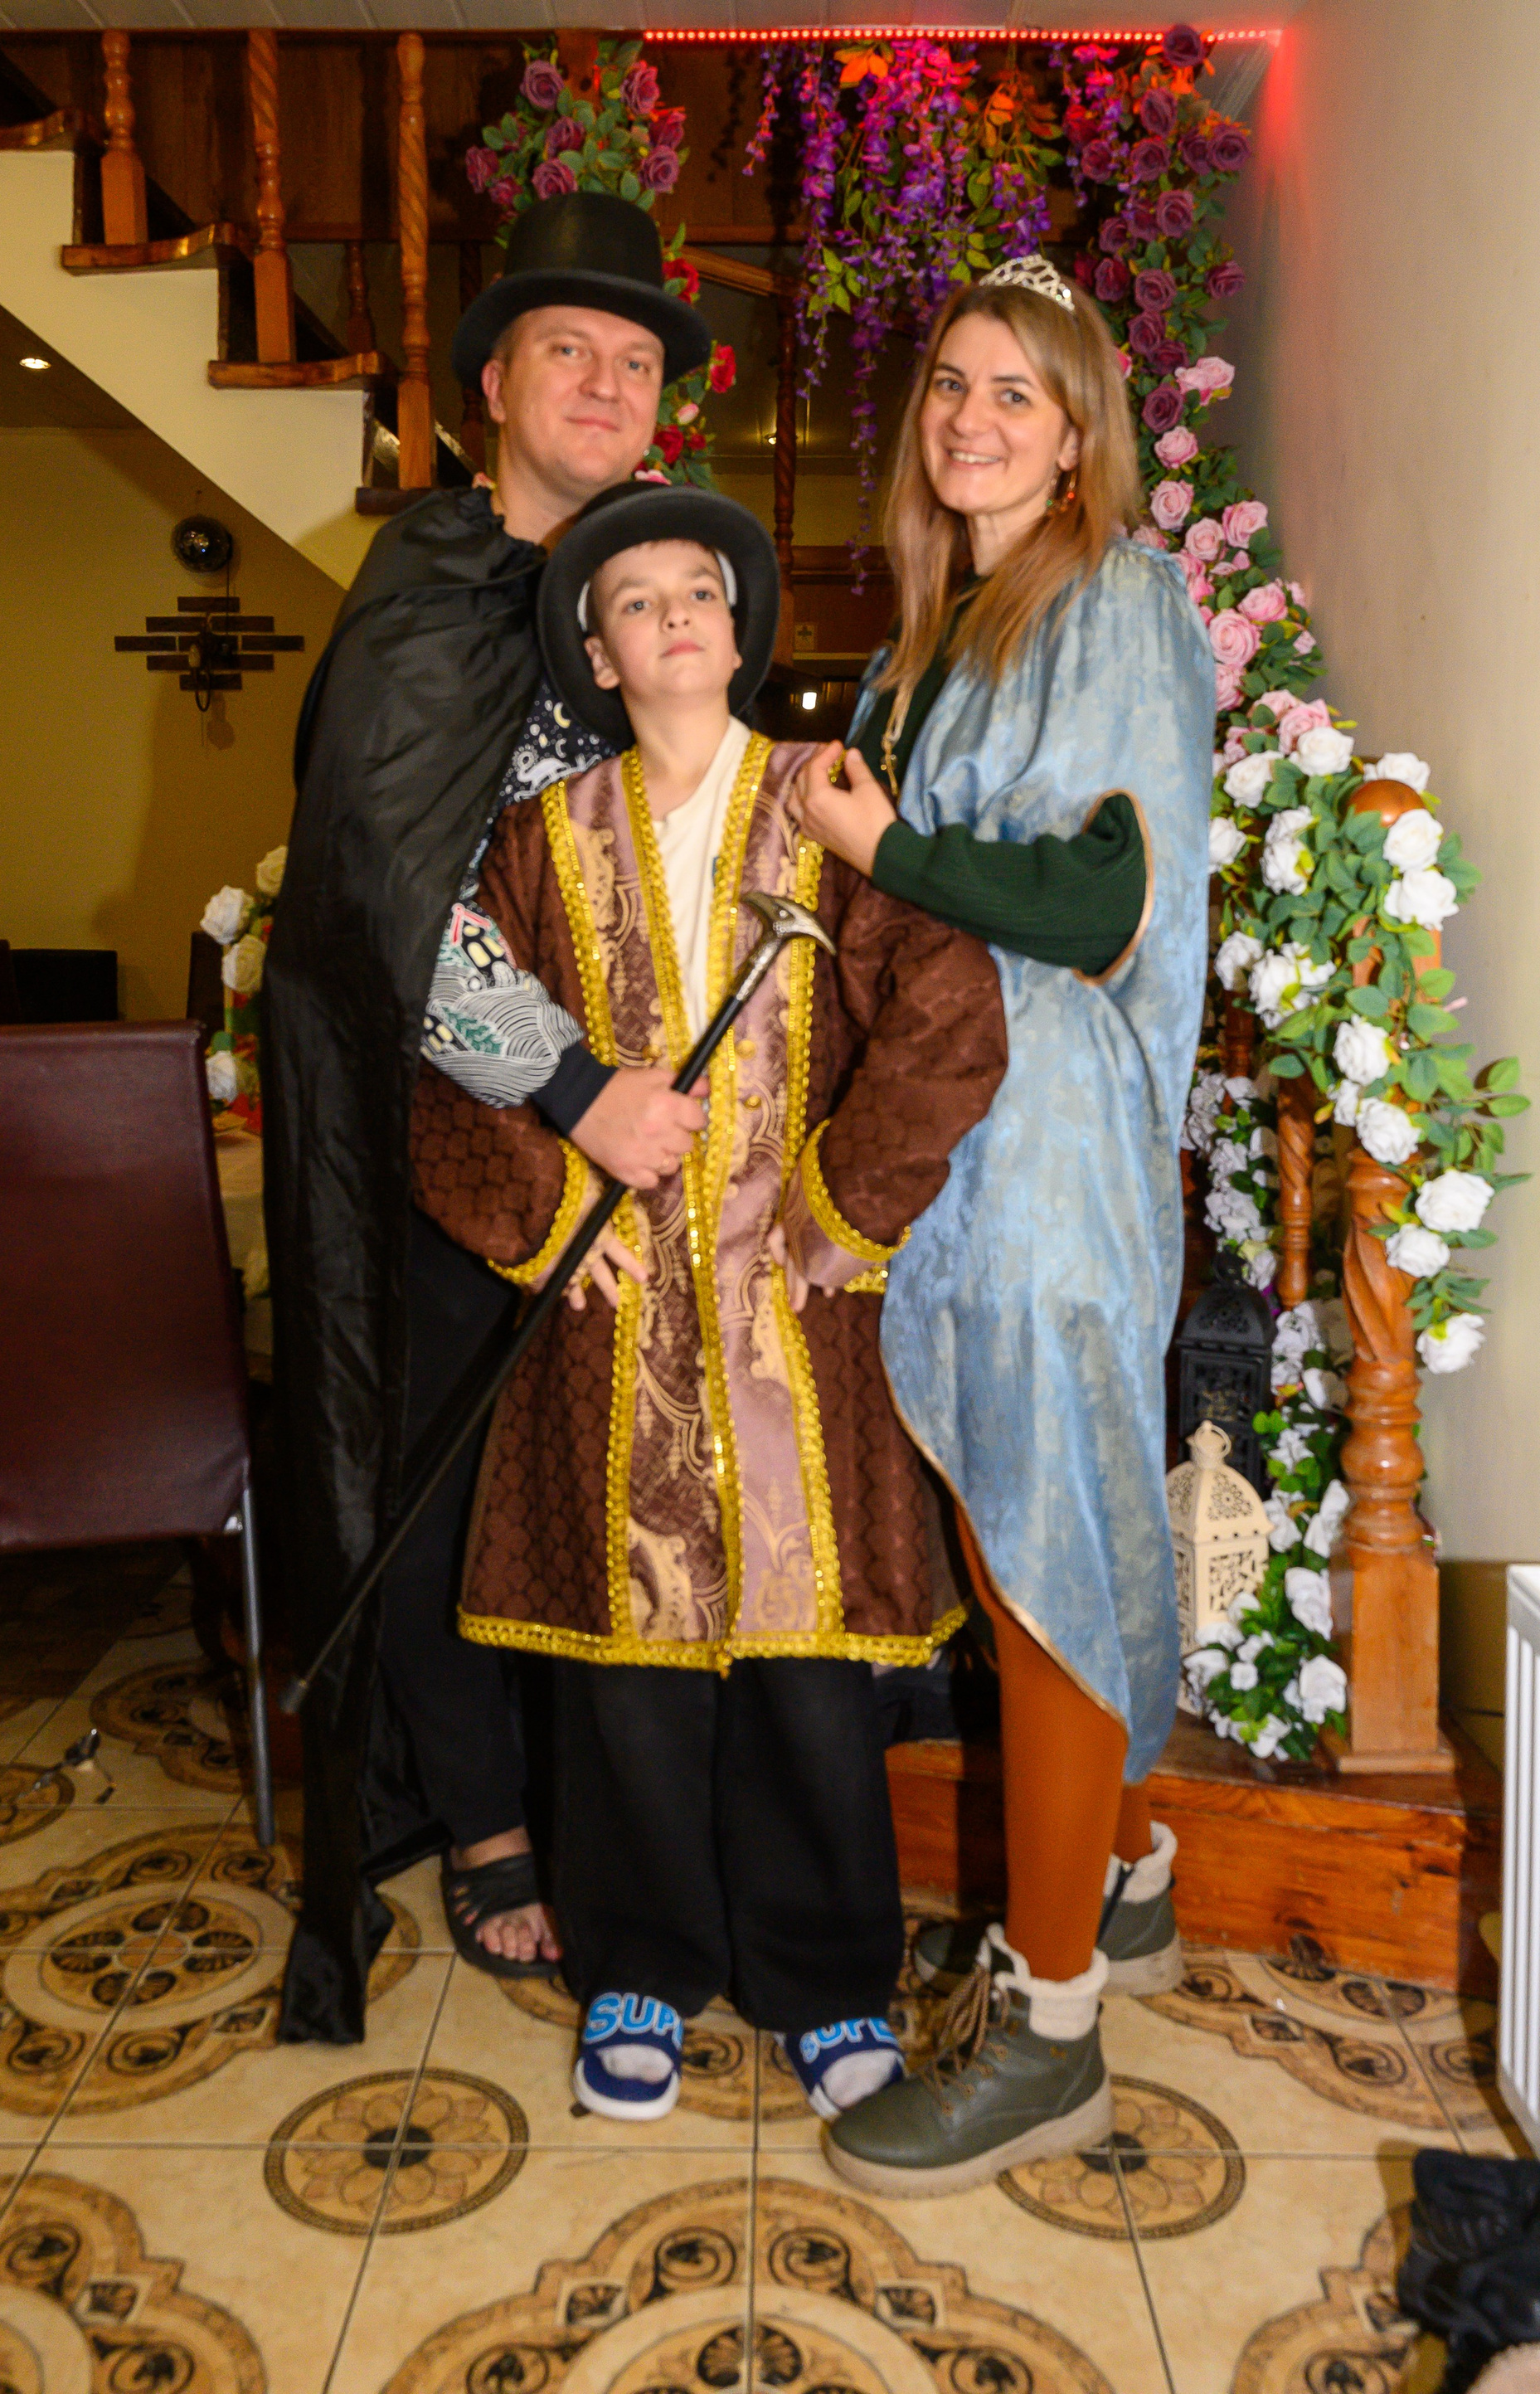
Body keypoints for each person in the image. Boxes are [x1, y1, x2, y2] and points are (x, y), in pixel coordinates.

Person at [407, 482, 1008, 2123]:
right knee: (629, 1672)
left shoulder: (832, 803)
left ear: (738, 632)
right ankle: (642, 1964)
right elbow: (452, 1050)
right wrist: (546, 1215)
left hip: (795, 1316)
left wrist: (847, 1198)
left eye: (699, 591)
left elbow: (947, 1005)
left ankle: (828, 1976)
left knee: (809, 1677)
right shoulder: (530, 845)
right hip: (609, 1319)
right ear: (599, 656)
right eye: (636, 601)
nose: (673, 614)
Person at [265, 192, 716, 2041]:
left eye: (637, 360)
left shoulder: (654, 590)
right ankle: (490, 1821)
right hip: (460, 1142)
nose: (606, 382)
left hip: (640, 1145)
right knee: (440, 1485)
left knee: (611, 1488)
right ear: (492, 392)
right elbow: (390, 891)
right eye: (567, 351)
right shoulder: (431, 578)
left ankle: (622, 1812)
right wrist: (574, 1090)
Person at [786, 253, 1215, 2190]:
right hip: (959, 1146)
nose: (971, 417)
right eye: (951, 384)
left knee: (1038, 1565)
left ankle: (1051, 2038)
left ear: (1078, 433)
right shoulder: (937, 633)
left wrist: (879, 841)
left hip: (1046, 1150)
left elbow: (1102, 897)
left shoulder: (1112, 595)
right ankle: (1121, 1878)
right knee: (1019, 1531)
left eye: (1015, 392)